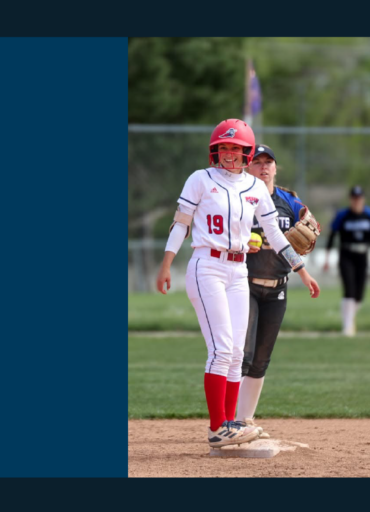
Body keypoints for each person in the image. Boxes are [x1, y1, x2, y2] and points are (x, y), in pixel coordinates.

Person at [155, 120, 320, 449]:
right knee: (220, 350)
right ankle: (218, 428)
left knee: (234, 353)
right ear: (214, 151)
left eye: (236, 148)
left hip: (238, 270)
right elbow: (181, 224)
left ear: (246, 152)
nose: (229, 153)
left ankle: (230, 424)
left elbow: (276, 235)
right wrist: (166, 264)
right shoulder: (200, 179)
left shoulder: (255, 187)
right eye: (223, 147)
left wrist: (301, 270)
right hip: (207, 266)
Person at [234, 144, 320, 438]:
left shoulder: (289, 201)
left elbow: (311, 229)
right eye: (257, 162)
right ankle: (228, 421)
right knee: (242, 356)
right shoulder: (240, 197)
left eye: (268, 162)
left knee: (261, 359)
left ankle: (245, 419)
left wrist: (310, 230)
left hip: (278, 289)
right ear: (248, 167)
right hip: (244, 285)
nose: (263, 167)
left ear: (274, 167)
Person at [323, 186, 370, 337]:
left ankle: (350, 319)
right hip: (346, 254)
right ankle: (347, 326)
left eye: (359, 198)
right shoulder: (343, 215)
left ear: (363, 199)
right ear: (350, 199)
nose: (357, 201)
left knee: (359, 295)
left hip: (363, 255)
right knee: (349, 290)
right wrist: (326, 259)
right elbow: (332, 236)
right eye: (354, 198)